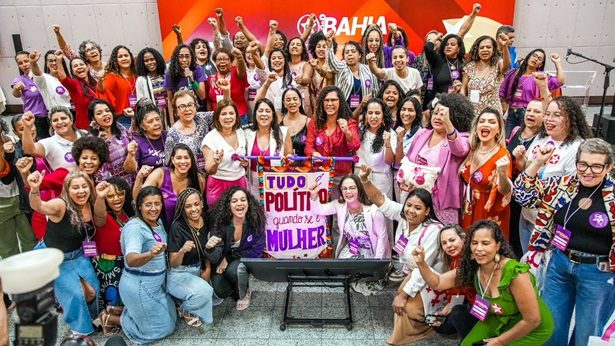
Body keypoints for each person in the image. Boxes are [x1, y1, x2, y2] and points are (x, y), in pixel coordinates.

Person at [513, 138, 615, 346]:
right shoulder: (563, 184)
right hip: (559, 264)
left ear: (609, 167)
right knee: (551, 326)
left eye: (596, 166)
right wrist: (537, 163)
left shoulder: (612, 195)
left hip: (598, 271)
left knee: (587, 334)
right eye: (583, 164)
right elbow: (523, 196)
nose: (588, 171)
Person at [413, 220, 554, 345]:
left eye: (485, 243)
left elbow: (532, 320)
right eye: (474, 243)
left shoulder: (516, 275)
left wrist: (498, 341)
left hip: (531, 328)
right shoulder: (473, 267)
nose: (478, 249)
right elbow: (438, 283)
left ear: (498, 245)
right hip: (496, 318)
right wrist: (421, 263)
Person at [513, 96, 592, 253]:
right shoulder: (542, 138)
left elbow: (570, 194)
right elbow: (526, 172)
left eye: (557, 115)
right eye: (547, 114)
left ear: (571, 118)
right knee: (528, 269)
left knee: (543, 273)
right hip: (527, 217)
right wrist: (521, 160)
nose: (549, 119)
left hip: (549, 227)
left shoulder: (577, 149)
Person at [28, 170, 100, 336]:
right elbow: (39, 206)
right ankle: (78, 329)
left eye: (84, 186)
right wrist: (34, 189)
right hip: (56, 258)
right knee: (75, 294)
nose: (81, 191)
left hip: (78, 254)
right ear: (67, 190)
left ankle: (91, 318)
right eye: (75, 187)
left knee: (92, 290)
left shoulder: (91, 202)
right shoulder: (60, 205)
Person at [388, 225, 475, 344]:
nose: (448, 245)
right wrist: (445, 311)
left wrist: (421, 263)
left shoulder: (471, 259)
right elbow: (455, 291)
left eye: (452, 240)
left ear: (463, 239)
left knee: (457, 313)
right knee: (439, 324)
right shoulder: (453, 260)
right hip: (465, 302)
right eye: (444, 243)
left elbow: (439, 283)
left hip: (481, 307)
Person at [358, 165, 444, 285]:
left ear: (427, 211)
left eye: (418, 208)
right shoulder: (403, 215)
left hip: (430, 279)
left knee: (404, 303)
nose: (411, 211)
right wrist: (364, 180)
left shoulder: (433, 231)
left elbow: (423, 269)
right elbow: (378, 198)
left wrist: (403, 293)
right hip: (410, 274)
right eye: (409, 205)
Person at [119, 187, 176, 344]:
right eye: (148, 204)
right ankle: (116, 319)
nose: (154, 208)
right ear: (139, 206)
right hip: (140, 285)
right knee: (162, 330)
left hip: (157, 285)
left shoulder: (157, 223)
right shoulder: (135, 227)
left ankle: (127, 311)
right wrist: (150, 254)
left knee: (173, 320)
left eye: (157, 204)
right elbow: (131, 259)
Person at [404, 93, 473, 224]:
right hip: (418, 198)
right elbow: (408, 161)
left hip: (442, 202)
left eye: (443, 115)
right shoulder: (422, 134)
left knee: (444, 240)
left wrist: (448, 124)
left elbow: (460, 150)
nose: (437, 117)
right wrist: (404, 180)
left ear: (454, 117)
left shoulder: (462, 137)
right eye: (435, 113)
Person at [167, 188, 222, 327]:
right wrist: (182, 251)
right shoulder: (177, 227)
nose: (193, 209)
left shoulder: (207, 220)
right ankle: (184, 309)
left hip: (199, 268)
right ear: (182, 208)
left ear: (202, 203)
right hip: (180, 273)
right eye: (188, 206)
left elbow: (207, 248)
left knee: (217, 299)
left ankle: (182, 300)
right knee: (206, 292)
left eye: (196, 204)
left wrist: (208, 268)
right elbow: (173, 263)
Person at [210, 186, 266, 311]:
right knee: (219, 290)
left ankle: (245, 291)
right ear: (228, 205)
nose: (239, 204)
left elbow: (256, 251)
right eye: (234, 201)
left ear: (248, 202)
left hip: (246, 259)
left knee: (233, 270)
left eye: (243, 200)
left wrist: (229, 258)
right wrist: (221, 259)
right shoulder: (221, 222)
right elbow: (216, 251)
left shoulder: (256, 219)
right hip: (222, 259)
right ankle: (236, 286)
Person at [460, 109, 513, 238]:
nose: (486, 124)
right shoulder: (470, 149)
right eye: (482, 121)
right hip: (467, 210)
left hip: (488, 215)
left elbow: (505, 190)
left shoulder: (502, 155)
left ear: (499, 130)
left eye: (492, 122)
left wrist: (501, 173)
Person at [310, 174, 390, 259]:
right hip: (351, 250)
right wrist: (314, 196)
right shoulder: (339, 205)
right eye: (344, 188)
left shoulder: (374, 211)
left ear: (359, 189)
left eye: (352, 188)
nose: (348, 192)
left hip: (373, 252)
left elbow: (382, 237)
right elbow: (319, 210)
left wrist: (377, 262)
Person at [92, 178, 134, 335]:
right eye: (111, 196)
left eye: (120, 194)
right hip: (109, 264)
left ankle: (111, 318)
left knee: (120, 297)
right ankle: (107, 322)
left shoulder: (124, 212)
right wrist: (100, 197)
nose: (117, 199)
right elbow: (99, 214)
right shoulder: (104, 216)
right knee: (113, 295)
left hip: (123, 261)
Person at [506, 98, 546, 256]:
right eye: (529, 110)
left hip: (524, 193)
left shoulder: (543, 141)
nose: (531, 114)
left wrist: (522, 162)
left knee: (518, 233)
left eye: (537, 112)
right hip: (508, 188)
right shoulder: (516, 131)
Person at [137, 143, 205, 229]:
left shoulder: (199, 179)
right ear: (172, 160)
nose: (183, 161)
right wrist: (139, 178)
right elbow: (140, 198)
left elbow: (200, 207)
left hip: (187, 231)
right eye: (179, 158)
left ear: (191, 160)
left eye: (186, 158)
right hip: (161, 228)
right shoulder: (160, 174)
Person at [499, 50, 564, 136]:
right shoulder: (513, 73)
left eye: (540, 59)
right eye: (534, 55)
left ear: (540, 64)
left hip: (528, 112)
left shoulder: (539, 77)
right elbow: (502, 92)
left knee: (524, 139)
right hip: (511, 112)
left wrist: (557, 62)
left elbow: (560, 81)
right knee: (507, 139)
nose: (536, 59)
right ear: (528, 57)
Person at [304, 86, 361, 182]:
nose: (329, 103)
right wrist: (313, 153)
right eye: (326, 100)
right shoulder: (314, 122)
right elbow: (308, 146)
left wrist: (347, 132)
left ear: (340, 102)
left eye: (333, 100)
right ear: (322, 103)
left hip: (342, 177)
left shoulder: (349, 122)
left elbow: (355, 146)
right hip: (319, 174)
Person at [202, 99, 249, 207]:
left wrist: (245, 164)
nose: (228, 117)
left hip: (240, 184)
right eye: (224, 114)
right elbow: (209, 169)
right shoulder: (210, 139)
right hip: (219, 186)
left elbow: (243, 163)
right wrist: (216, 162)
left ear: (236, 116)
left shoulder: (241, 133)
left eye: (231, 113)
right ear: (217, 117)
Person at [356, 99, 396, 220]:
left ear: (383, 115)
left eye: (377, 113)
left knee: (381, 215)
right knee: (360, 214)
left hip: (381, 180)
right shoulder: (359, 130)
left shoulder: (389, 133)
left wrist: (388, 144)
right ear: (366, 115)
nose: (373, 116)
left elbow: (389, 161)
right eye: (370, 113)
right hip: (360, 176)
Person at [244, 98, 292, 198]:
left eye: (268, 111)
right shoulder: (247, 133)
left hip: (277, 184)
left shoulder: (283, 132)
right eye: (260, 111)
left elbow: (289, 157)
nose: (264, 114)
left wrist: (289, 159)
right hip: (253, 184)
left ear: (273, 115)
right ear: (255, 114)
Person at [0, 136, 37, 259]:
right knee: (7, 248)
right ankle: (14, 275)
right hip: (2, 205)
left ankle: (34, 272)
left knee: (30, 240)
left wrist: (9, 155)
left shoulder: (10, 140)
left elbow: (9, 176)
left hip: (21, 198)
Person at [325, 31, 379, 114]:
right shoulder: (342, 67)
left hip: (364, 114)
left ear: (360, 55)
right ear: (344, 57)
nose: (350, 54)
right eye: (347, 52)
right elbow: (332, 63)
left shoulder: (369, 70)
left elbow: (375, 92)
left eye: (353, 51)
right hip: (344, 113)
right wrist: (329, 44)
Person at [164, 89, 218, 171]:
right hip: (190, 177)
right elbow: (168, 163)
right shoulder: (172, 134)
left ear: (195, 106)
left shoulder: (201, 118)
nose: (187, 109)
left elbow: (222, 112)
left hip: (212, 171)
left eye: (190, 104)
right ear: (176, 111)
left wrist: (226, 91)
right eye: (182, 106)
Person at [21, 108, 85, 171]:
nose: (59, 122)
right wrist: (27, 126)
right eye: (55, 120)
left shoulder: (84, 134)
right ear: (52, 125)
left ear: (71, 120)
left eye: (63, 118)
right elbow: (30, 150)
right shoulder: (49, 143)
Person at [461, 34, 511, 116]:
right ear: (477, 50)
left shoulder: (498, 64)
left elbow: (506, 66)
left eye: (488, 47)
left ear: (493, 50)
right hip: (472, 113)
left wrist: (505, 47)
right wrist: (463, 104)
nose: (485, 50)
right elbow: (463, 88)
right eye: (481, 48)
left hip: (492, 114)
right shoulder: (470, 66)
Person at [87, 99, 134, 186]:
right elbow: (98, 171)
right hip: (114, 187)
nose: (105, 114)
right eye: (99, 113)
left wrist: (133, 117)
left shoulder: (119, 127)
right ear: (93, 119)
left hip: (133, 179)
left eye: (107, 111)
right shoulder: (92, 140)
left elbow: (133, 138)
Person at [54, 51, 97, 130]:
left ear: (87, 67)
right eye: (75, 66)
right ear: (73, 71)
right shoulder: (74, 84)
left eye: (81, 64)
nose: (79, 67)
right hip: (85, 127)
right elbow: (63, 78)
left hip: (100, 123)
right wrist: (59, 61)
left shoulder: (95, 82)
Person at [96, 45, 138, 127]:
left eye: (126, 55)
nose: (124, 58)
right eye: (120, 56)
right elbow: (102, 90)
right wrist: (100, 80)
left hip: (141, 115)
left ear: (131, 57)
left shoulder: (138, 74)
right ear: (116, 60)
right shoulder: (112, 76)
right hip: (124, 119)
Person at [205, 48, 249, 124]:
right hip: (218, 119)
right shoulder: (210, 79)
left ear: (231, 62)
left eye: (226, 59)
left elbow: (242, 69)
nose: (222, 61)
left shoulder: (236, 73)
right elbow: (209, 101)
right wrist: (211, 119)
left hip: (238, 117)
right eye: (219, 59)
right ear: (215, 62)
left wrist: (240, 58)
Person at [12, 51, 49, 138]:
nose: (24, 65)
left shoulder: (44, 77)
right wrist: (16, 88)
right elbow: (16, 94)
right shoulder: (19, 80)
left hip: (51, 116)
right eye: (20, 63)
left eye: (26, 61)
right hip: (35, 119)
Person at [163, 44, 207, 117]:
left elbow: (202, 96)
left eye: (187, 56)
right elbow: (170, 101)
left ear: (191, 58)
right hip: (181, 114)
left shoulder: (198, 70)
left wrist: (192, 80)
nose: (184, 60)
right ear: (176, 58)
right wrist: (172, 122)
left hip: (198, 112)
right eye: (181, 57)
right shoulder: (170, 74)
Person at [124, 101, 167, 173]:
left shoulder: (168, 136)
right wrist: (131, 155)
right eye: (150, 121)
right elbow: (129, 170)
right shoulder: (138, 143)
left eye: (157, 119)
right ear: (142, 126)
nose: (156, 123)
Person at [135, 47, 169, 127]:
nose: (150, 62)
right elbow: (140, 102)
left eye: (152, 59)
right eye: (146, 61)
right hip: (154, 118)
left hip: (170, 113)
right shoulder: (141, 80)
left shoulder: (166, 74)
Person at [307, 31, 335, 113]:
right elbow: (311, 90)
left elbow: (329, 76)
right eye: (318, 46)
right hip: (315, 104)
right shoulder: (311, 63)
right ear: (314, 49)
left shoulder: (333, 64)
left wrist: (317, 68)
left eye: (324, 46)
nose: (321, 49)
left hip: (330, 102)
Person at [287, 37, 313, 117]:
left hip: (303, 100)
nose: (295, 46)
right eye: (292, 44)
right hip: (287, 100)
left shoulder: (306, 64)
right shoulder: (285, 64)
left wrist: (302, 80)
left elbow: (307, 79)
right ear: (288, 48)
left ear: (302, 50)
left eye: (298, 45)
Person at [281, 87, 311, 156]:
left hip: (304, 165)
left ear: (300, 101)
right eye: (288, 100)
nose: (292, 102)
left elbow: (312, 146)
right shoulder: (279, 121)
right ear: (284, 103)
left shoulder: (308, 122)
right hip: (282, 165)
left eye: (295, 99)